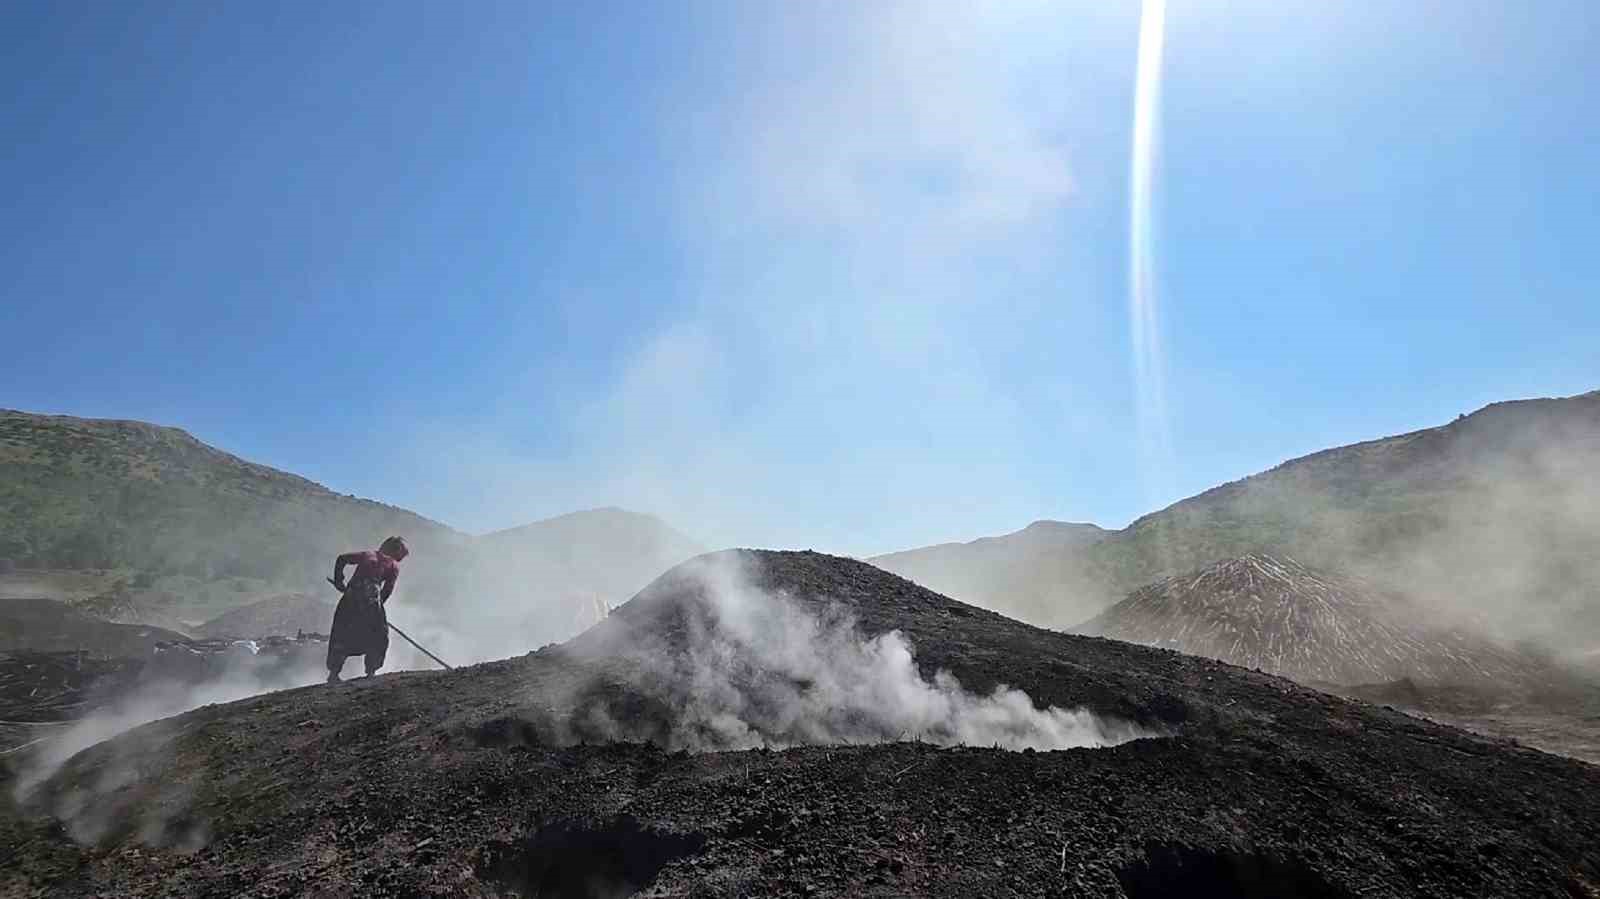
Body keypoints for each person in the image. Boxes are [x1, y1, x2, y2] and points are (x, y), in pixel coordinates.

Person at [326, 536, 408, 682]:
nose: (403, 557)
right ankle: (371, 671)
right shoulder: (393, 565)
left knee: (342, 633)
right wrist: (377, 606)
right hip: (370, 604)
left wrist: (339, 581)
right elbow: (388, 589)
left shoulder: (368, 555)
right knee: (378, 635)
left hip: (349, 600)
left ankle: (334, 673)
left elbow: (341, 559)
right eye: (402, 552)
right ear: (396, 551)